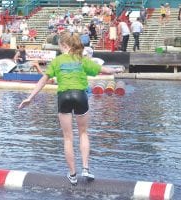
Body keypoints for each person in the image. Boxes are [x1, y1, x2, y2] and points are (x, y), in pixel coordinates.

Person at [18, 31, 123, 185]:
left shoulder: (57, 61)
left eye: (60, 46)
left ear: (64, 45)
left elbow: (43, 80)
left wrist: (30, 98)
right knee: (83, 133)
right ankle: (86, 169)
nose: (59, 49)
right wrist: (115, 70)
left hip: (64, 96)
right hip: (80, 95)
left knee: (68, 137)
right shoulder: (81, 59)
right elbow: (102, 69)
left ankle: (73, 175)